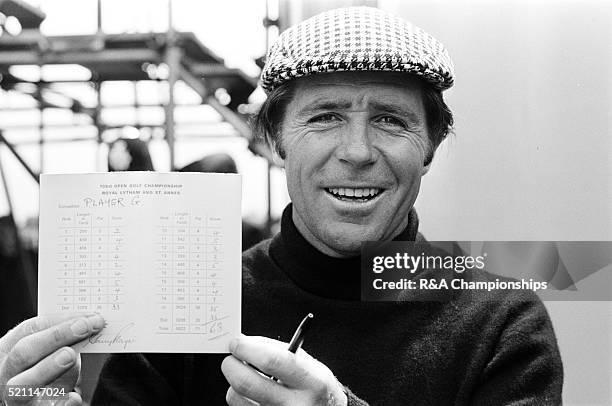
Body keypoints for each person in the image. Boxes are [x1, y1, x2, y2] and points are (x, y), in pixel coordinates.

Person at [0, 6, 562, 406]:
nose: (358, 152)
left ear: (430, 148)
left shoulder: (502, 323)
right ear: (274, 140)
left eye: (391, 120)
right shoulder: (186, 306)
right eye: (325, 117)